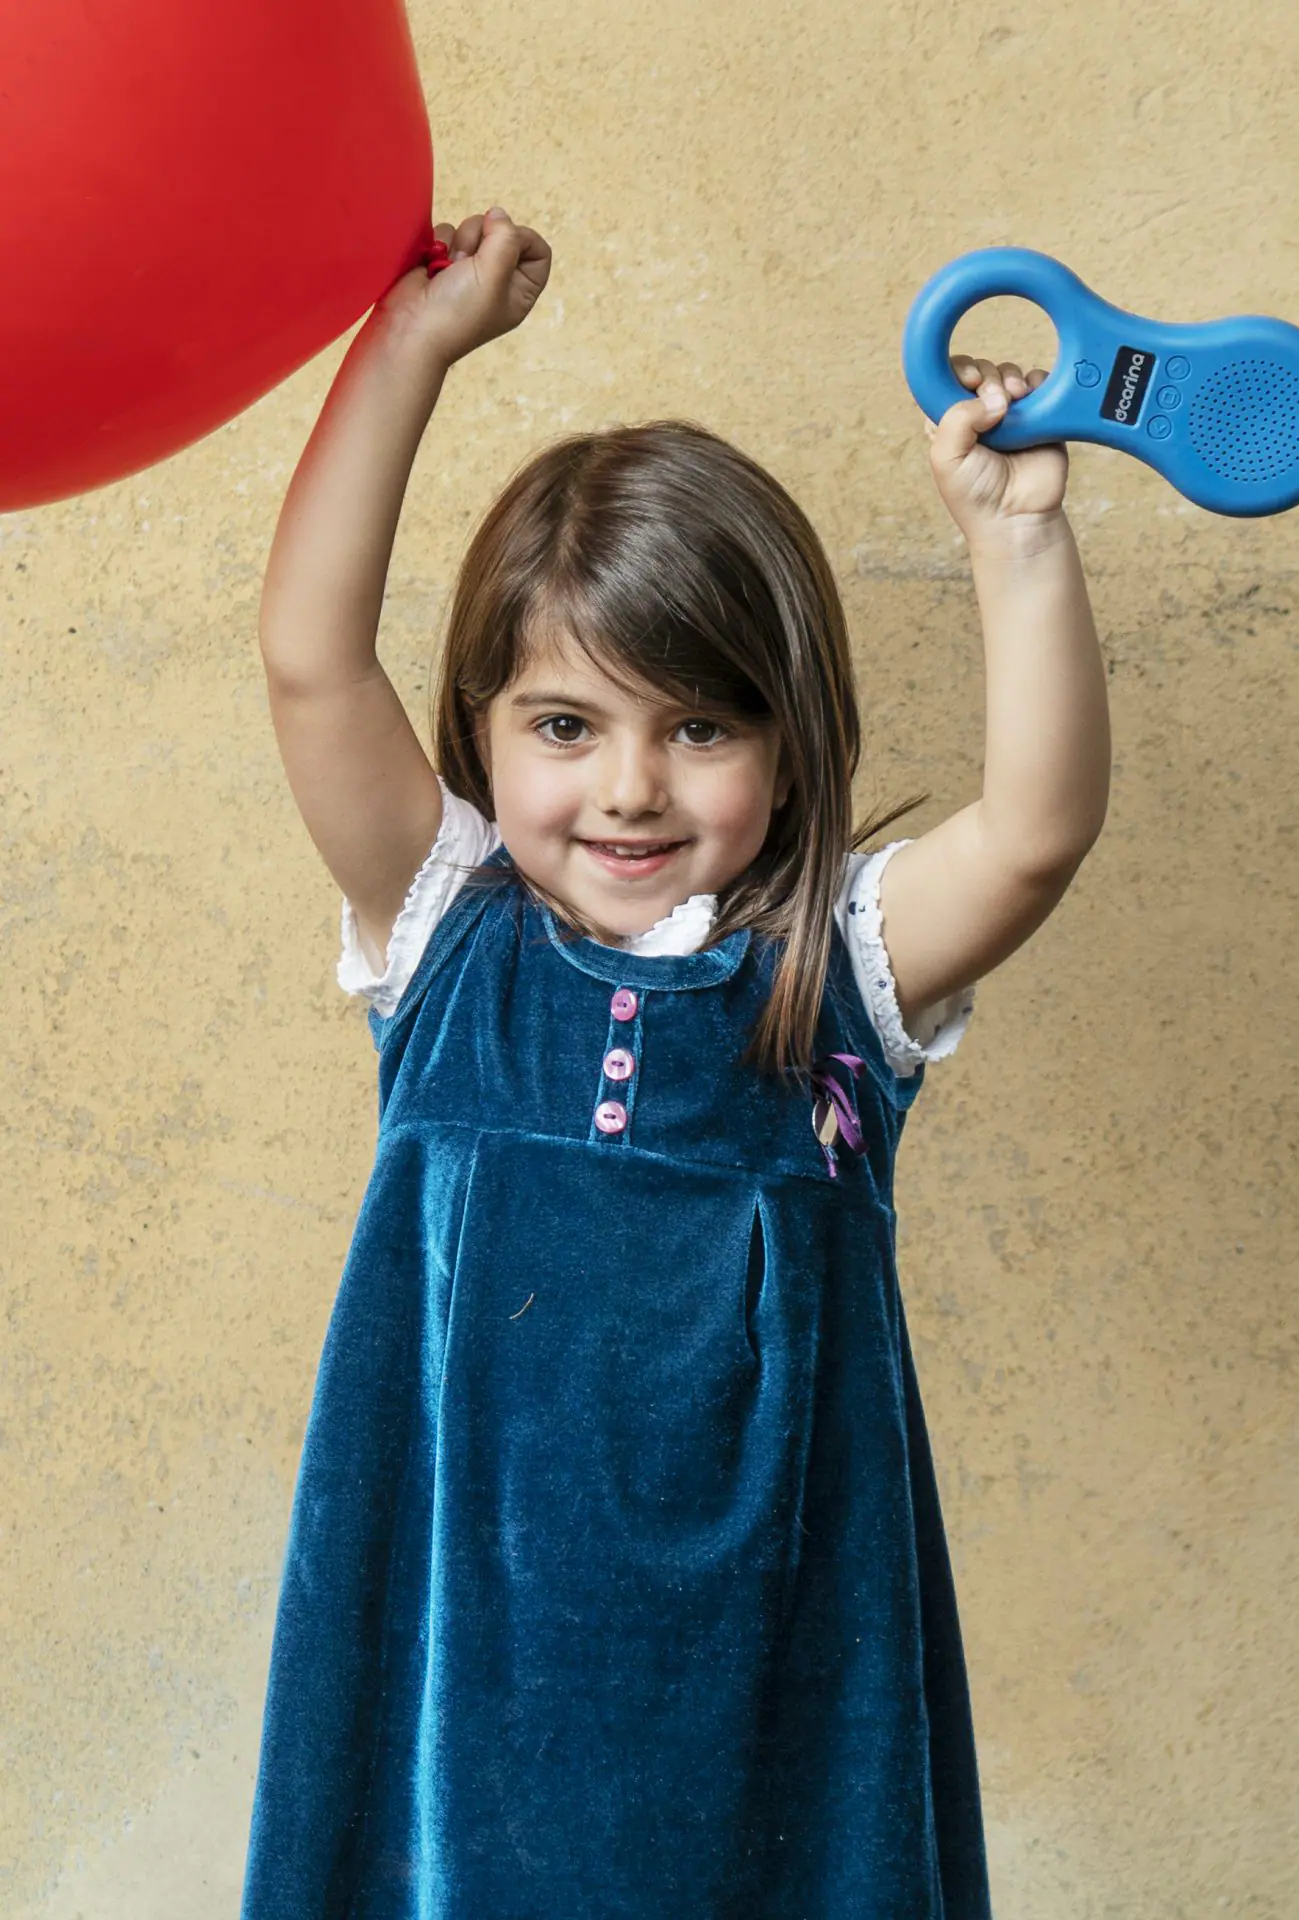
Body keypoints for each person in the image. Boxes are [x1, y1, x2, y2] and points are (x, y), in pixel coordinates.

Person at [240, 205, 1109, 1920]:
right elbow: (308, 658)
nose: (630, 788)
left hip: (765, 1678)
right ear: (482, 729)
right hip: (462, 1676)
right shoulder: (446, 939)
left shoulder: (834, 983)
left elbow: (1029, 835)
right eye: (566, 728)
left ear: (789, 749)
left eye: (698, 728)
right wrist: (410, 347)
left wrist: (1015, 546)